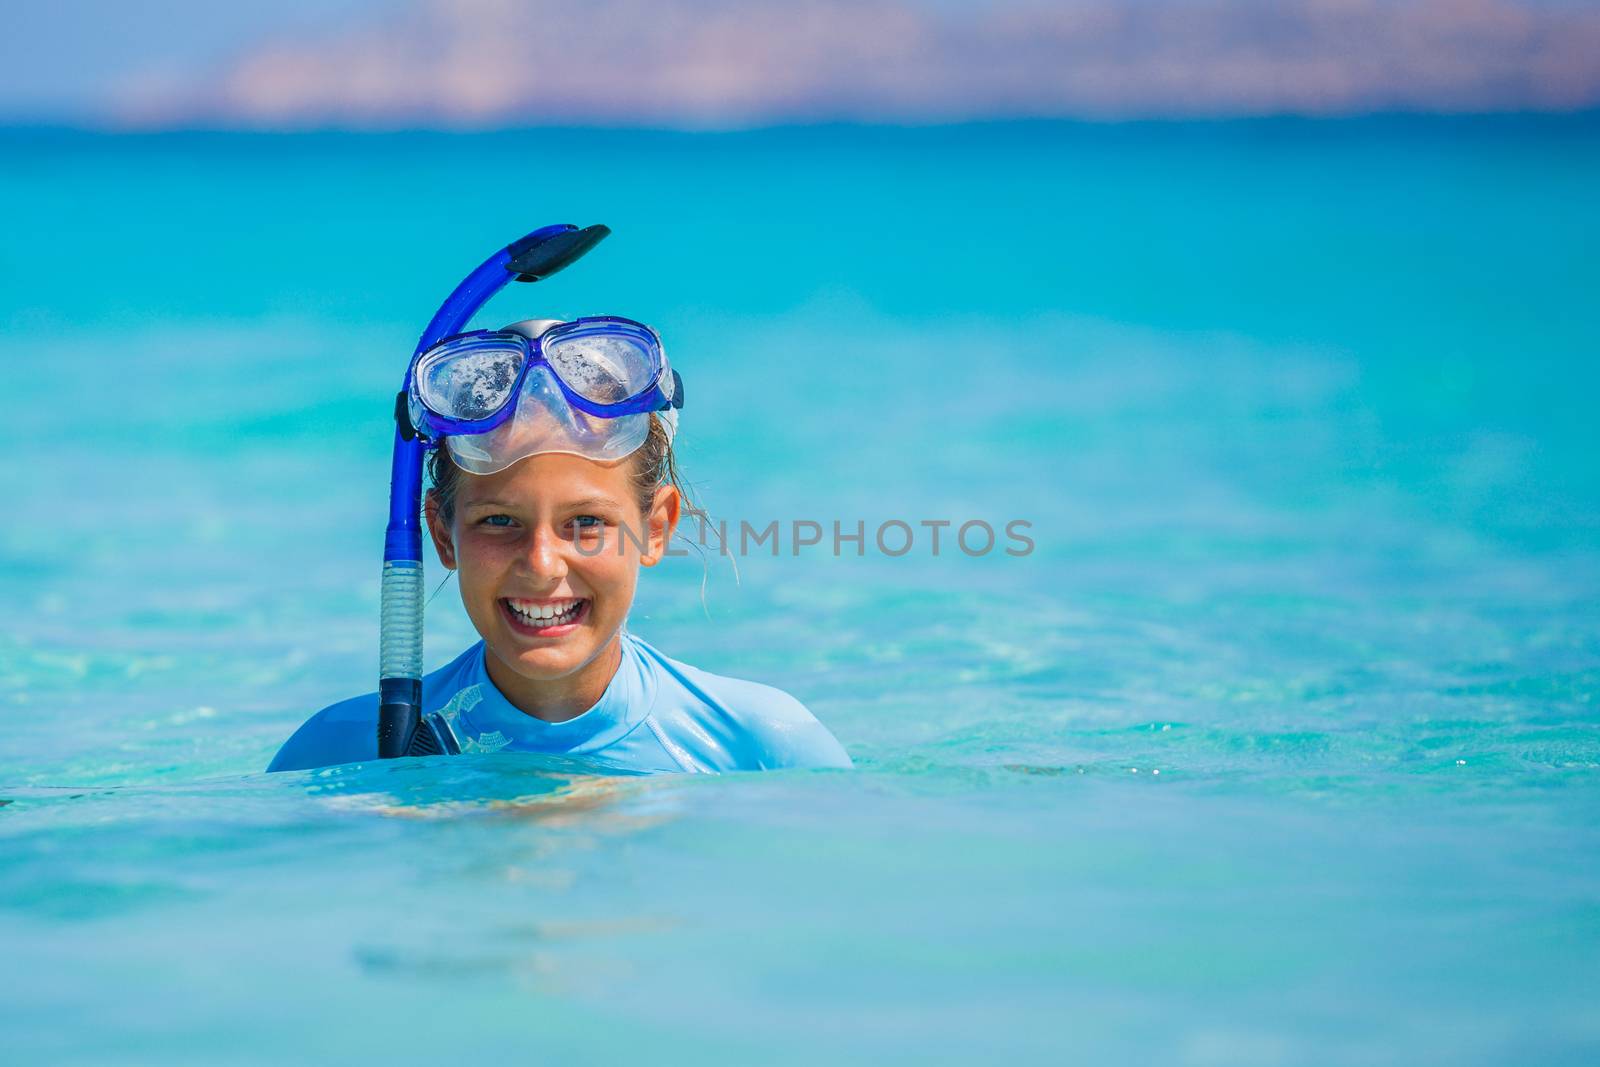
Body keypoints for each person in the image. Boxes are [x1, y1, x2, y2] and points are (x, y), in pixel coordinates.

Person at [268, 312, 850, 774]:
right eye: (499, 522)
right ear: (442, 535)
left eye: (586, 522)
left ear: (655, 528)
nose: (542, 564)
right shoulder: (338, 754)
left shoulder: (761, 749)